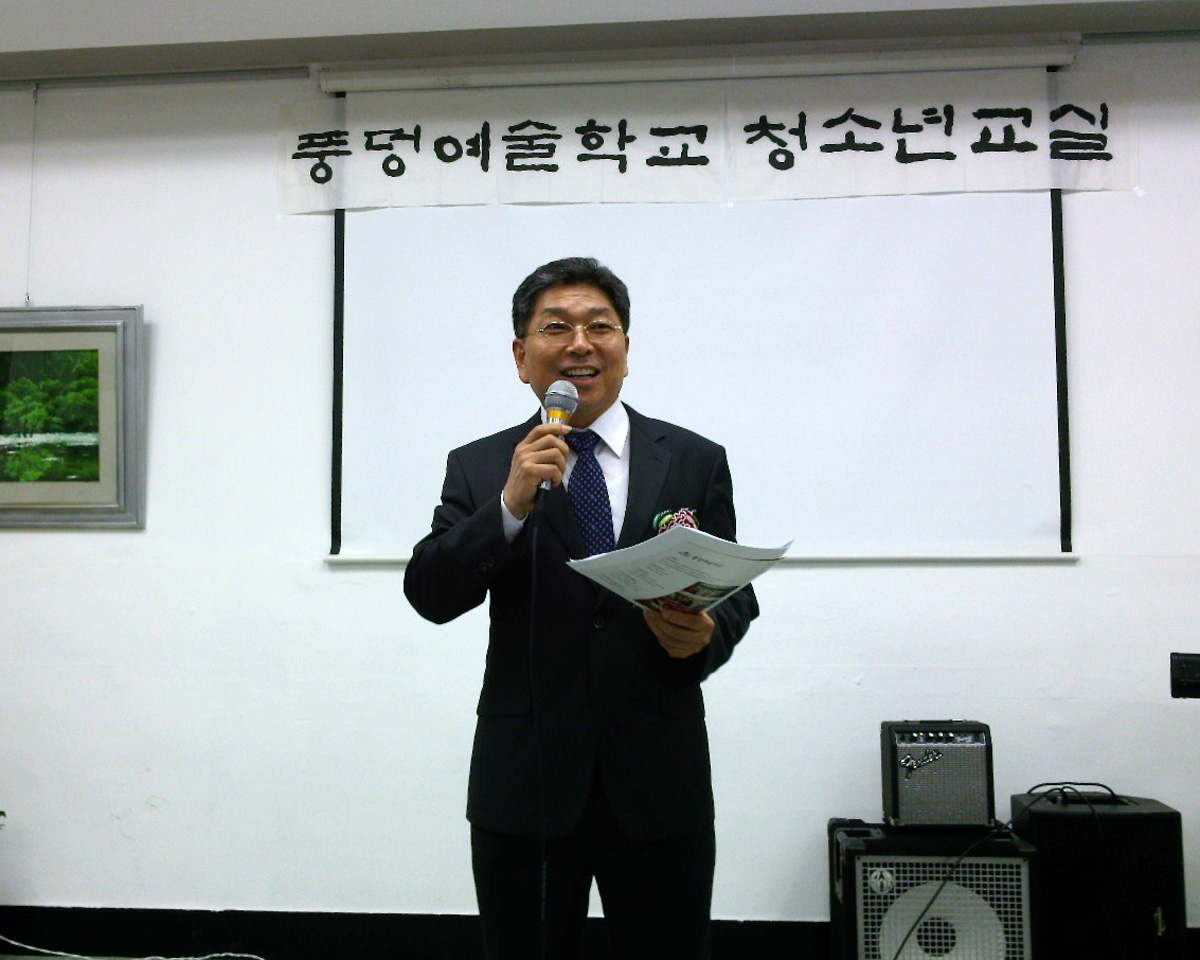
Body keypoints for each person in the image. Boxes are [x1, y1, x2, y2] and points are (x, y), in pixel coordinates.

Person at [404, 257, 758, 960]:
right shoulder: (482, 466)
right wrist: (508, 506)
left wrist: (703, 635)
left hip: (659, 780)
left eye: (600, 327)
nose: (580, 345)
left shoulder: (693, 459)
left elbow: (733, 592)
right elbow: (431, 593)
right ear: (521, 356)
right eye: (556, 328)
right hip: (525, 781)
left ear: (625, 347)